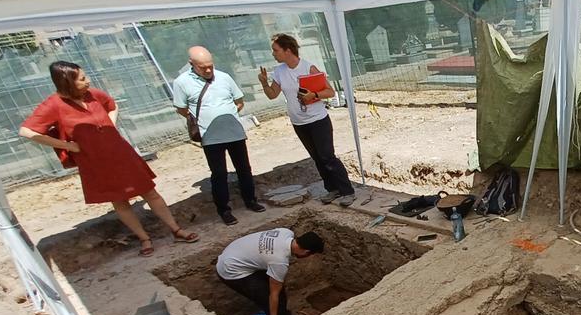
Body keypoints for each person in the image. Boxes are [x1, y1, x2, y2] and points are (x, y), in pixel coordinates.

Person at [19, 61, 198, 257]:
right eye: (82, 79)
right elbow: (26, 131)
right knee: (120, 202)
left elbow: (112, 105)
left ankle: (176, 229)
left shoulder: (93, 94)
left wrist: (110, 125)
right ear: (67, 82)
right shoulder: (53, 105)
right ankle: (144, 238)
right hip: (94, 161)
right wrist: (67, 146)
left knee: (150, 192)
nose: (88, 81)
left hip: (120, 152)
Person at [257, 34, 356, 206]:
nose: (273, 54)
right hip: (299, 122)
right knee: (317, 158)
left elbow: (330, 92)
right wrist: (264, 83)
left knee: (327, 157)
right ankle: (332, 189)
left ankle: (347, 191)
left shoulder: (308, 68)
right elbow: (272, 95)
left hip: (318, 120)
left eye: (276, 50)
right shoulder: (279, 71)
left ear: (288, 50)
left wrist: (314, 95)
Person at [174, 46, 265, 225]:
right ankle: (224, 210)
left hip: (234, 132)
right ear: (191, 64)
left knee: (244, 169)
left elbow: (239, 101)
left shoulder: (224, 77)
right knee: (219, 174)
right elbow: (182, 109)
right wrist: (205, 119)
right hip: (210, 136)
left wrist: (228, 113)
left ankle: (251, 201)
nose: (208, 70)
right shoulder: (181, 82)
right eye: (203, 67)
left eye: (210, 66)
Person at [216, 227, 324, 315]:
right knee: (267, 295)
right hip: (231, 270)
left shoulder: (286, 232)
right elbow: (273, 295)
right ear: (306, 252)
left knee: (278, 289)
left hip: (234, 253)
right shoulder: (279, 261)